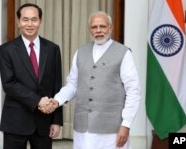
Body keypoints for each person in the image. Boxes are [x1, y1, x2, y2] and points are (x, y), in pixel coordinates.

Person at [47, 11, 141, 149]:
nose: (98, 31)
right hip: (83, 129)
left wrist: (126, 124)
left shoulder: (124, 53)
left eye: (102, 26)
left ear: (110, 27)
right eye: (94, 27)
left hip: (111, 129)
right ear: (89, 30)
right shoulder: (80, 51)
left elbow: (133, 91)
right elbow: (73, 84)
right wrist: (57, 100)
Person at [0, 3, 63, 149]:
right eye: (25, 19)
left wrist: (56, 121)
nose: (29, 24)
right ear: (18, 22)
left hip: (44, 122)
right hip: (15, 121)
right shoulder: (6, 49)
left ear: (40, 21)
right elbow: (9, 84)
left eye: (34, 19)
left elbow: (56, 86)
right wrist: (38, 101)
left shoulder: (52, 49)